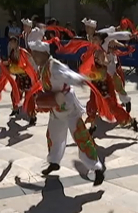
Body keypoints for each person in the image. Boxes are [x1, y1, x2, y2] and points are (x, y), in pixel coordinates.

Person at [28, 39, 105, 185]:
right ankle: (54, 161)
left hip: (68, 105)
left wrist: (80, 80)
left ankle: (97, 168)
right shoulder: (43, 66)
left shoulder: (54, 66)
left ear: (43, 54)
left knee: (80, 137)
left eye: (35, 54)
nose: (33, 57)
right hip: (56, 106)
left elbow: (69, 75)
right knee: (53, 134)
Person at [7, 36, 37, 125]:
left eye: (12, 42)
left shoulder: (23, 52)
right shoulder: (12, 53)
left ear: (16, 42)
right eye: (10, 42)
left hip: (27, 76)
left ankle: (32, 116)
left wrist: (34, 74)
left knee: (29, 97)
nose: (11, 44)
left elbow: (32, 63)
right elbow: (11, 63)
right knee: (14, 94)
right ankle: (16, 109)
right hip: (19, 76)